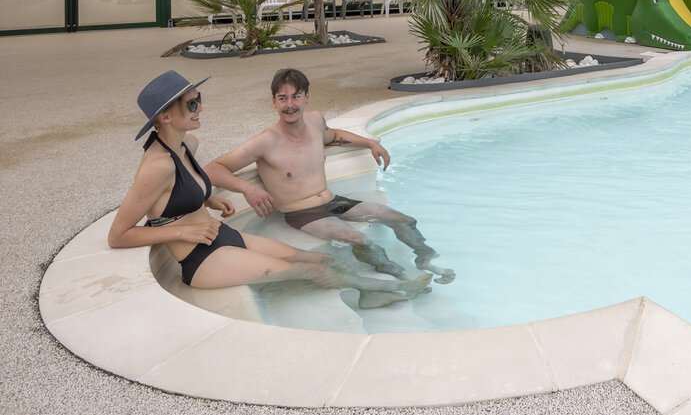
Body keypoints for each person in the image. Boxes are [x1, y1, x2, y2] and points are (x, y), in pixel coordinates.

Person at [108, 70, 432, 309]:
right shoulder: (157, 166)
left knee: (319, 258)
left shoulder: (186, 143)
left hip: (221, 234)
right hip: (200, 257)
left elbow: (179, 193)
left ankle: (376, 284)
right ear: (165, 116)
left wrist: (209, 198)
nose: (200, 108)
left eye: (198, 100)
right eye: (191, 104)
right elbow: (118, 235)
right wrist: (183, 232)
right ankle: (379, 290)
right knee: (309, 271)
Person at [206, 68, 455, 283]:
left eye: (296, 96)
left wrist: (370, 143)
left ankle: (425, 259)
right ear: (274, 102)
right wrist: (248, 188)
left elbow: (333, 136)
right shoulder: (265, 142)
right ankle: (398, 275)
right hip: (302, 213)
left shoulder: (315, 122)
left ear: (306, 97)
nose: (289, 105)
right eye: (282, 98)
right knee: (360, 239)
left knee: (404, 220)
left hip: (333, 201)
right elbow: (213, 168)